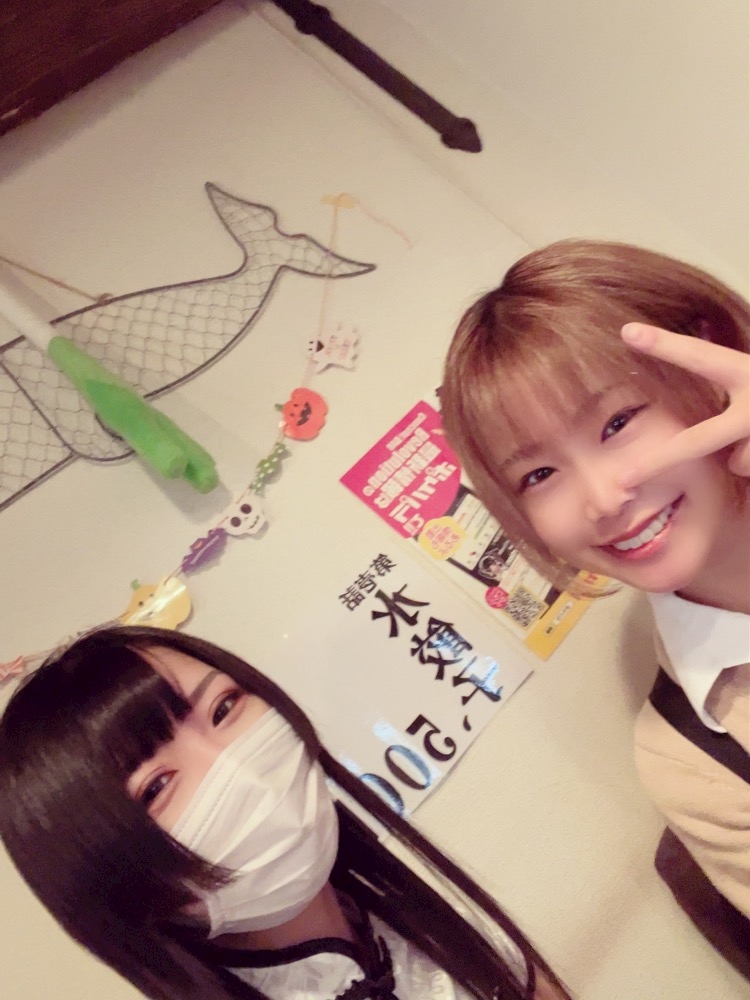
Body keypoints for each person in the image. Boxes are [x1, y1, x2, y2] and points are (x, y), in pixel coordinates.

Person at [439, 240, 750, 935]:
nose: (604, 499)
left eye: (616, 423)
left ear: (711, 359)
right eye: (538, 476)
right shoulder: (691, 763)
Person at [0, 625, 570, 1000]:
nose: (235, 768)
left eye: (224, 707)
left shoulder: (413, 912)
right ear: (114, 884)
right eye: (157, 787)